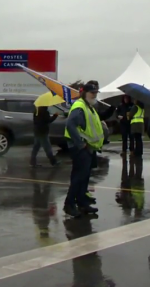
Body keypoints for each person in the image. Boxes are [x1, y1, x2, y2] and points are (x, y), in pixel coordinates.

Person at [63, 82, 105, 218]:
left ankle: (82, 203)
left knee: (84, 177)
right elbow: (70, 125)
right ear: (84, 93)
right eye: (92, 93)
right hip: (80, 148)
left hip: (88, 147)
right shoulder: (80, 106)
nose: (94, 95)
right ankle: (69, 204)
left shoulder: (89, 107)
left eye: (95, 93)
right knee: (78, 177)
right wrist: (80, 144)